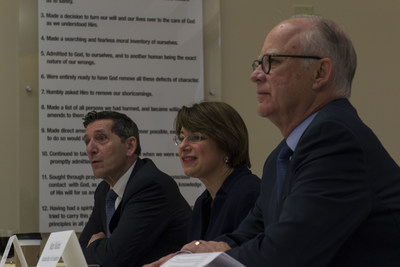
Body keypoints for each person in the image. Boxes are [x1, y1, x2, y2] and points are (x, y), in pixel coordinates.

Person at [146, 15, 400, 267]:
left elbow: (285, 254)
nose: (256, 75)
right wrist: (190, 256)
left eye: (273, 62)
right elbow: (248, 235)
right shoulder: (282, 155)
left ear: (320, 73)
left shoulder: (335, 140)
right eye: (258, 63)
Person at [79, 110, 192, 267]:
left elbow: (115, 257)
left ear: (130, 146)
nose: (90, 149)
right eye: (87, 141)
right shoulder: (104, 190)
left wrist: (96, 246)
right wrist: (103, 247)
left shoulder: (151, 185)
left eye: (101, 138)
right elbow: (79, 251)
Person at [173, 101, 260, 241]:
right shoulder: (203, 202)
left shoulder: (250, 194)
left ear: (226, 143)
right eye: (182, 138)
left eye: (195, 137)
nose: (183, 146)